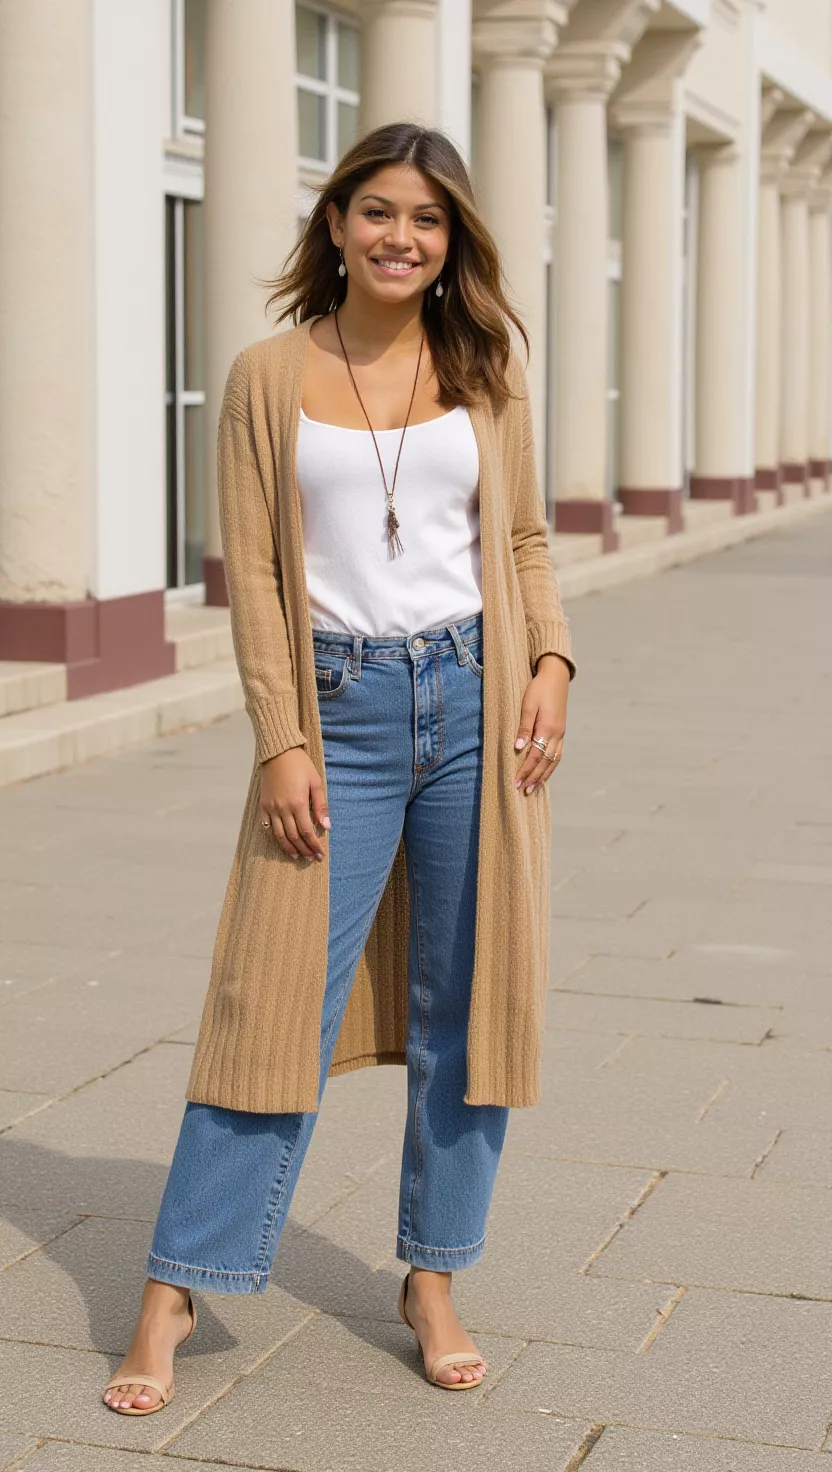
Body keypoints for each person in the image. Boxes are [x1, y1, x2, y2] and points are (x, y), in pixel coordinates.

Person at [103, 120, 575, 1416]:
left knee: (468, 1007)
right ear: (336, 221)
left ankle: (434, 1276)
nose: (400, 237)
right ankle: (177, 1286)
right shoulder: (267, 375)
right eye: (378, 211)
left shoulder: (485, 367)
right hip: (341, 709)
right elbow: (255, 578)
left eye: (426, 219)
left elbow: (523, 538)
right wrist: (282, 737)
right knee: (268, 1005)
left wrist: (551, 660)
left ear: (452, 240)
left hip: (476, 700)